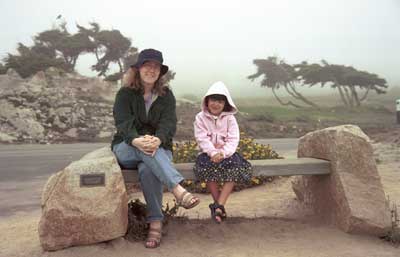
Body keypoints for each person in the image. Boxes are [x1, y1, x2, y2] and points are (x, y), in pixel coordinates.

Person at [111, 48, 200, 248]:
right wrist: (136, 140)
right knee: (145, 153)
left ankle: (155, 224)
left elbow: (169, 123)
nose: (151, 70)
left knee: (147, 168)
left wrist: (158, 139)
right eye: (147, 66)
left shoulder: (166, 95)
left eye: (156, 67)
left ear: (160, 72)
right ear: (138, 69)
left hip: (158, 147)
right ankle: (177, 189)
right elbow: (123, 122)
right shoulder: (125, 94)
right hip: (127, 146)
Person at [193, 81, 252, 223]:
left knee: (235, 167)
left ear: (225, 104)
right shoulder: (200, 118)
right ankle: (219, 207)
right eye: (213, 100)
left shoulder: (230, 119)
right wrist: (213, 153)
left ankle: (218, 206)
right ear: (207, 101)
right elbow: (201, 138)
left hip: (227, 154)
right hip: (208, 154)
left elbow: (233, 139)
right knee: (206, 168)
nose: (216, 104)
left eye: (220, 101)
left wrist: (223, 153)